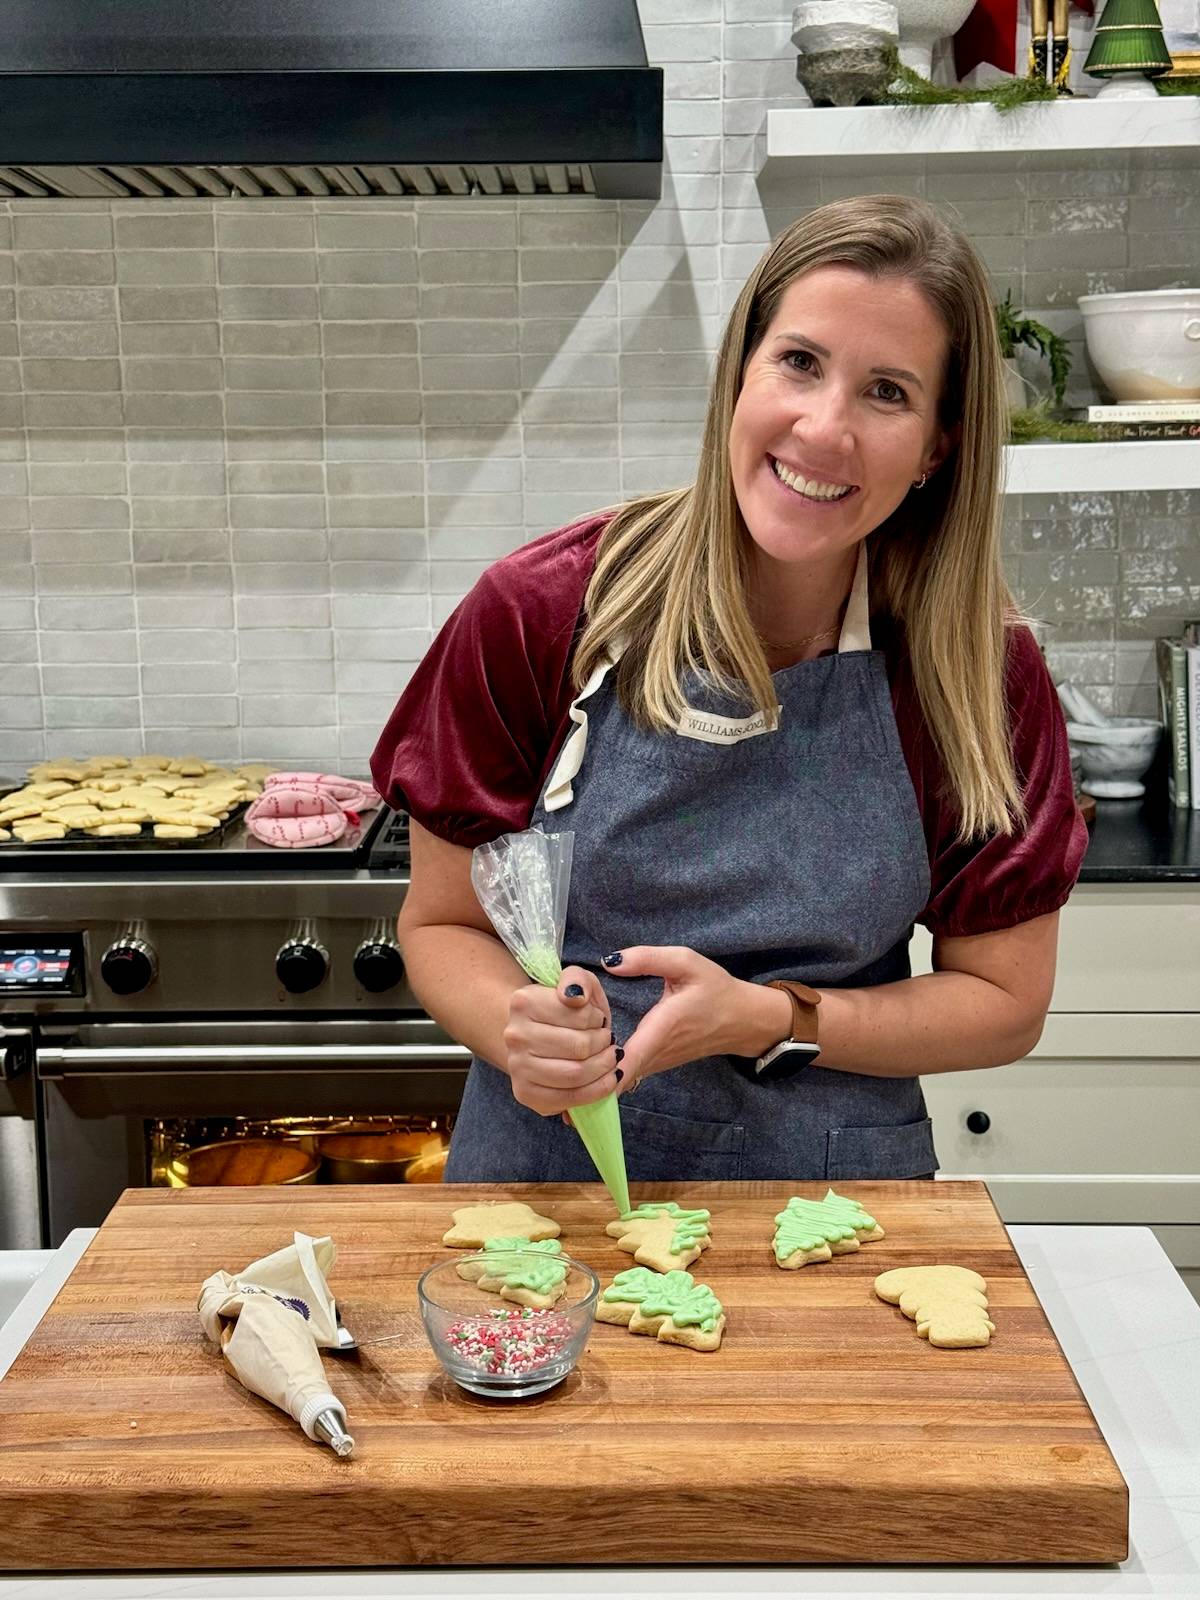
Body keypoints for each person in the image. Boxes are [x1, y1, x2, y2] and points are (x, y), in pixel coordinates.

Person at [371, 193, 1087, 1184]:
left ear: (938, 447)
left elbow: (1003, 1000)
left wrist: (771, 1016)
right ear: (739, 372)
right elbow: (442, 922)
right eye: (799, 362)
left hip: (832, 1194)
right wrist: (519, 1032)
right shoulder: (545, 611)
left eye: (887, 392)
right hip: (551, 1190)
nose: (824, 427)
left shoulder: (975, 673)